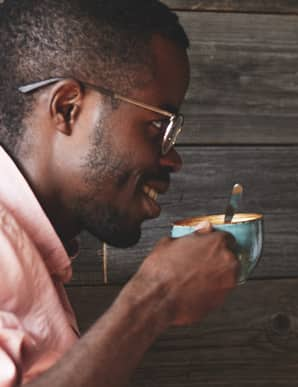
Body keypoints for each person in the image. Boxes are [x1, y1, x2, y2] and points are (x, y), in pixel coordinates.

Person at [0, 1, 240, 386]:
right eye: (159, 126)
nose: (173, 159)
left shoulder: (31, 251)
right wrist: (153, 299)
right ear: (67, 108)